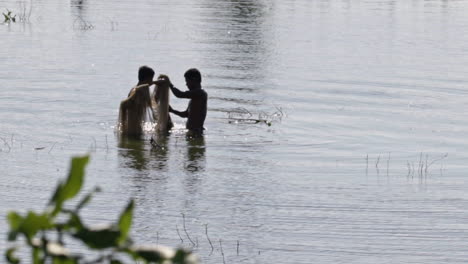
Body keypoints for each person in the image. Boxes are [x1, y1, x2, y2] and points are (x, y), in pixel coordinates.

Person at [119, 65, 156, 137]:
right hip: (133, 128)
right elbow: (149, 104)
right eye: (151, 79)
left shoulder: (135, 89)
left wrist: (156, 82)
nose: (152, 81)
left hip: (133, 126)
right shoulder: (138, 91)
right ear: (147, 78)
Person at [168, 68, 207, 134]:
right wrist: (172, 110)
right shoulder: (194, 98)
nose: (186, 84)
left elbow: (179, 94)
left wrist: (170, 84)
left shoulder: (200, 93)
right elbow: (186, 114)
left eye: (187, 81)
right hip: (191, 132)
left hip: (196, 133)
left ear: (194, 80)